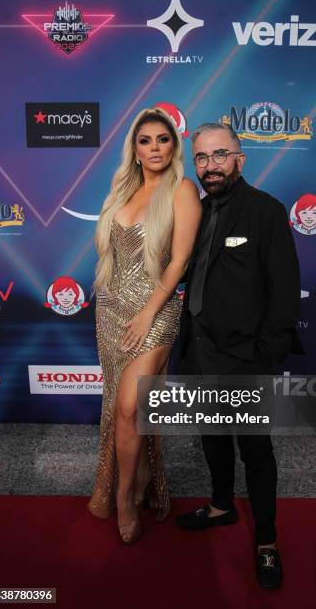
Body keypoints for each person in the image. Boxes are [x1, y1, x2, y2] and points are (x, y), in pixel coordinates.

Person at [174, 122, 303, 588]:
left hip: (245, 359)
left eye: (220, 155)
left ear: (240, 159)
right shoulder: (197, 212)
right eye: (202, 159)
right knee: (212, 437)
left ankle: (266, 541)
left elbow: (285, 290)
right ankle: (222, 504)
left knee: (255, 450)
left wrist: (263, 354)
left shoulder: (265, 211)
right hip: (202, 354)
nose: (210, 166)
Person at [88, 107, 201, 544]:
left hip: (155, 312)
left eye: (163, 139)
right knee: (119, 402)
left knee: (131, 407)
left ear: (174, 147)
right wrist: (114, 303)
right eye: (145, 140)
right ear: (134, 150)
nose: (155, 147)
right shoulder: (121, 190)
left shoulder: (182, 190)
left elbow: (180, 260)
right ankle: (139, 482)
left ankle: (123, 500)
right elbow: (111, 258)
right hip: (112, 310)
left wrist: (150, 311)